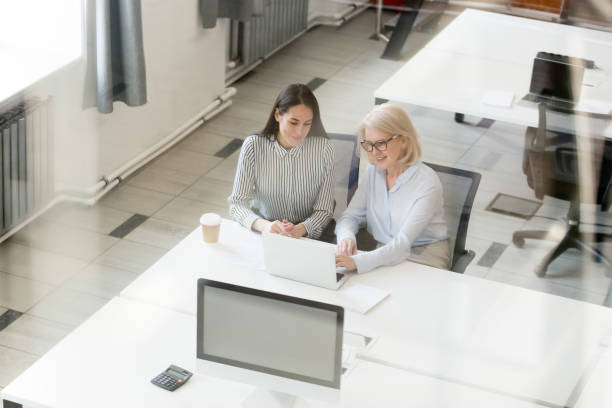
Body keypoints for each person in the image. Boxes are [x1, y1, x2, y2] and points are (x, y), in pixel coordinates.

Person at [335, 103, 450, 273]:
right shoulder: (373, 172)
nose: (374, 152)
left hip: (424, 255)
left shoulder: (428, 184)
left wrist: (359, 262)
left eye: (381, 143)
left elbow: (402, 243)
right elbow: (350, 216)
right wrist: (346, 238)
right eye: (369, 144)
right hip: (384, 250)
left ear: (403, 139)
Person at [228, 83, 334, 239]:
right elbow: (237, 204)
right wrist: (265, 226)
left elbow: (325, 210)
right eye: (293, 122)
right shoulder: (253, 146)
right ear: (277, 115)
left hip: (307, 235)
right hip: (264, 231)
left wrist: (301, 229)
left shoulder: (324, 148)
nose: (300, 132)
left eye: (307, 124)